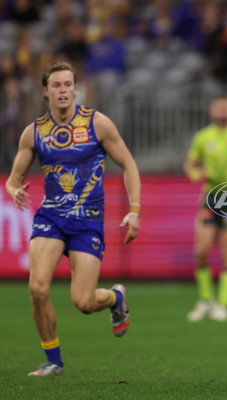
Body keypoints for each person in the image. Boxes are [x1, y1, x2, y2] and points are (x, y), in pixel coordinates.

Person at [5, 61, 141, 376]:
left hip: (87, 221)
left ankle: (115, 297)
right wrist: (13, 190)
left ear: (75, 88)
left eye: (68, 84)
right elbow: (14, 178)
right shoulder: (34, 132)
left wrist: (134, 211)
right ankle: (54, 361)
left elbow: (129, 165)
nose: (63, 90)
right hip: (51, 218)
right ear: (45, 91)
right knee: (37, 288)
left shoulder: (98, 124)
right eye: (56, 85)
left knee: (83, 302)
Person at [183, 96, 227, 322]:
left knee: (225, 252)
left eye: (226, 107)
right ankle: (205, 300)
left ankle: (222, 304)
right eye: (218, 106)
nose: (222, 110)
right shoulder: (204, 136)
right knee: (201, 252)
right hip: (211, 196)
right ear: (211, 110)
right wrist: (197, 175)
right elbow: (191, 165)